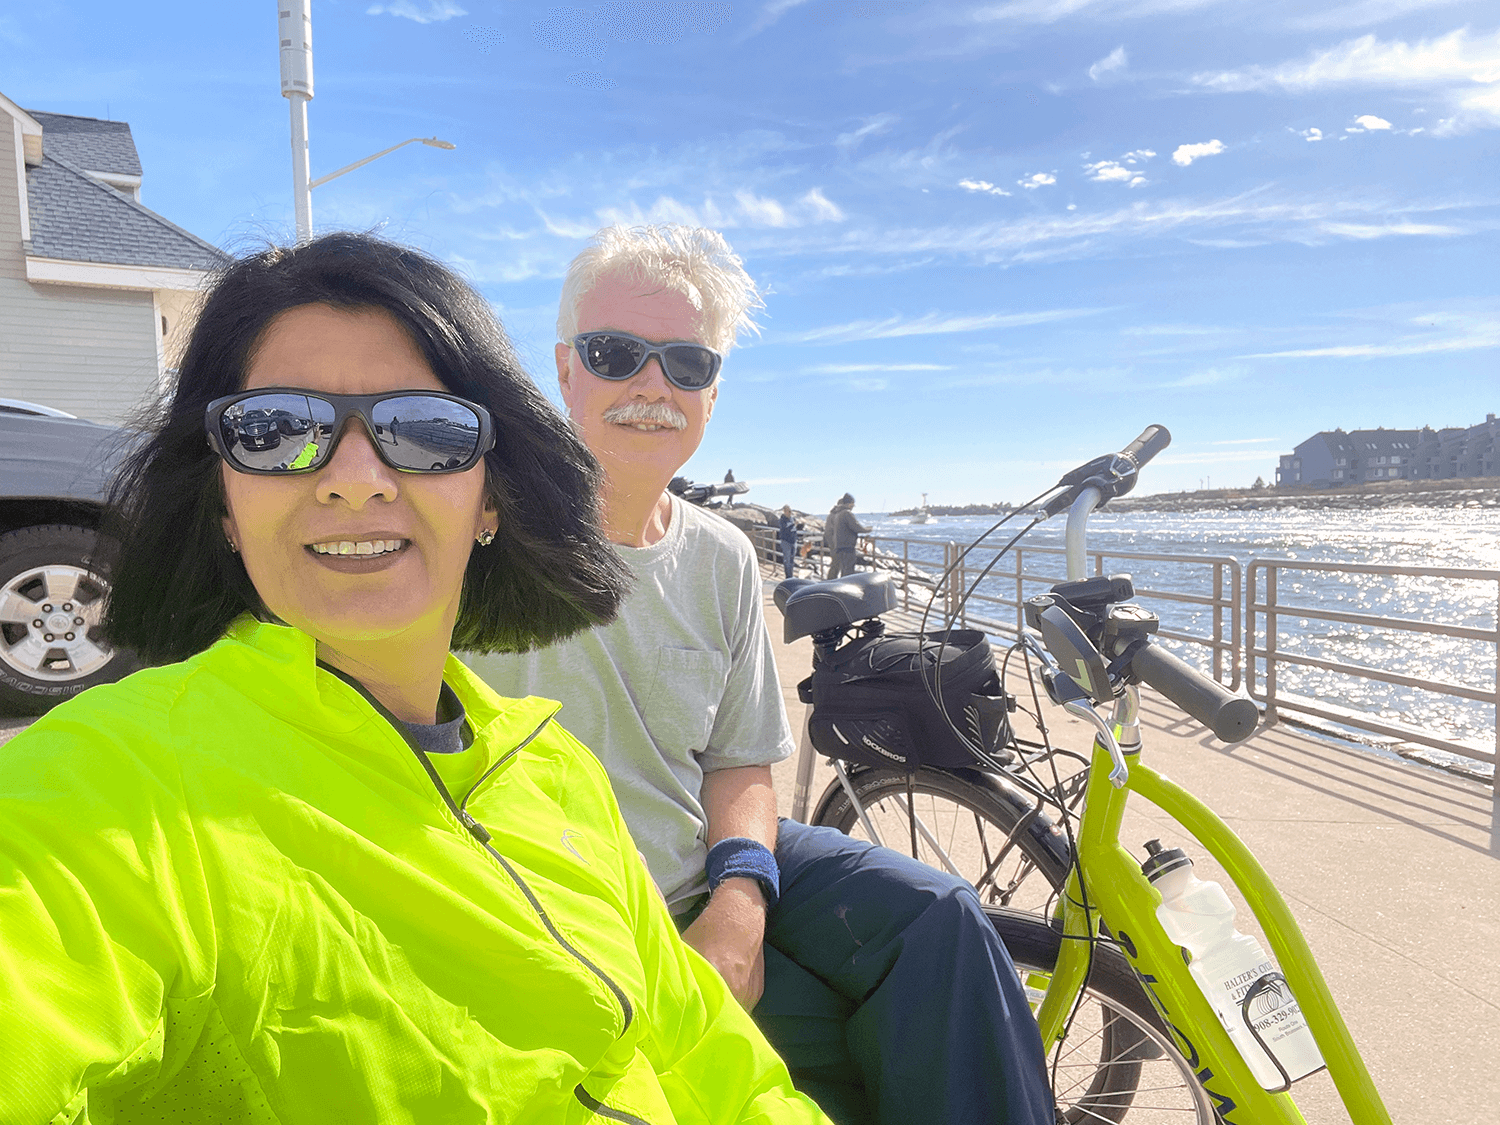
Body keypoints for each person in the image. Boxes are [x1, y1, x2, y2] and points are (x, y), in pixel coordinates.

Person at [0, 233, 831, 1124]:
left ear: (491, 499)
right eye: (277, 430)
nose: (355, 479)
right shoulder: (118, 788)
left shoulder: (553, 770)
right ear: (223, 506)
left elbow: (722, 1067)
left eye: (426, 431)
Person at [467, 224, 1054, 1125]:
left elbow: (740, 764)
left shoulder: (723, 556)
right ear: (565, 369)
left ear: (713, 390)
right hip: (551, 905)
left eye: (687, 364)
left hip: (697, 863)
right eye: (616, 353)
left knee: (942, 914)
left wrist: (739, 901)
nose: (652, 385)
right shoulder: (476, 535)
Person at [824, 493, 869, 579]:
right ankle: (841, 587)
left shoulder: (833, 515)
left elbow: (828, 531)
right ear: (848, 504)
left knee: (836, 568)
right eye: (852, 504)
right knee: (847, 570)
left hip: (836, 545)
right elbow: (856, 527)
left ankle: (829, 585)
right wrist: (867, 529)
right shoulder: (845, 513)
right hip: (845, 546)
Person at [776, 505, 802, 579]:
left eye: (790, 511)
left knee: (792, 560)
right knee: (787, 560)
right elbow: (786, 527)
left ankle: (791, 575)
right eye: (788, 511)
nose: (790, 513)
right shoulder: (782, 520)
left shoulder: (792, 519)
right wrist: (794, 524)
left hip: (793, 541)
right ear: (785, 511)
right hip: (786, 542)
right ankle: (788, 576)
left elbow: (794, 529)